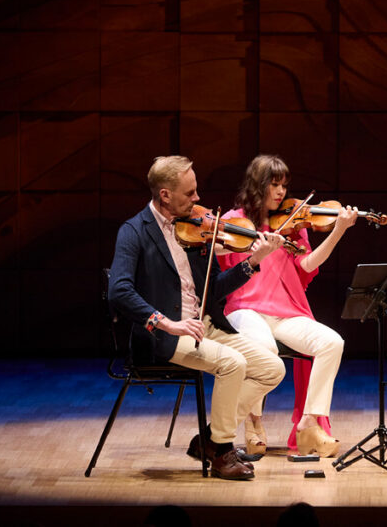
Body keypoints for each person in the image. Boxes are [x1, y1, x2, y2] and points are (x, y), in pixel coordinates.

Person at [108, 155, 287, 480]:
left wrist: (252, 261)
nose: (197, 198)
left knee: (273, 368)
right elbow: (119, 290)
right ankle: (222, 449)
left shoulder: (195, 229)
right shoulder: (134, 231)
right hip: (163, 335)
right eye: (189, 193)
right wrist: (166, 322)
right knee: (233, 363)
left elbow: (214, 288)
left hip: (204, 327)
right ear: (165, 195)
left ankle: (209, 438)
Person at [216, 154, 357, 457]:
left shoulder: (292, 223)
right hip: (244, 309)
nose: (281, 191)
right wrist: (244, 245)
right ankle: (254, 421)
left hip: (285, 311)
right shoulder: (234, 220)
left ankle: (309, 424)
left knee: (332, 342)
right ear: (258, 185)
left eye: (284, 185)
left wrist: (338, 231)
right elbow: (216, 257)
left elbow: (307, 264)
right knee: (264, 349)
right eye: (274, 184)